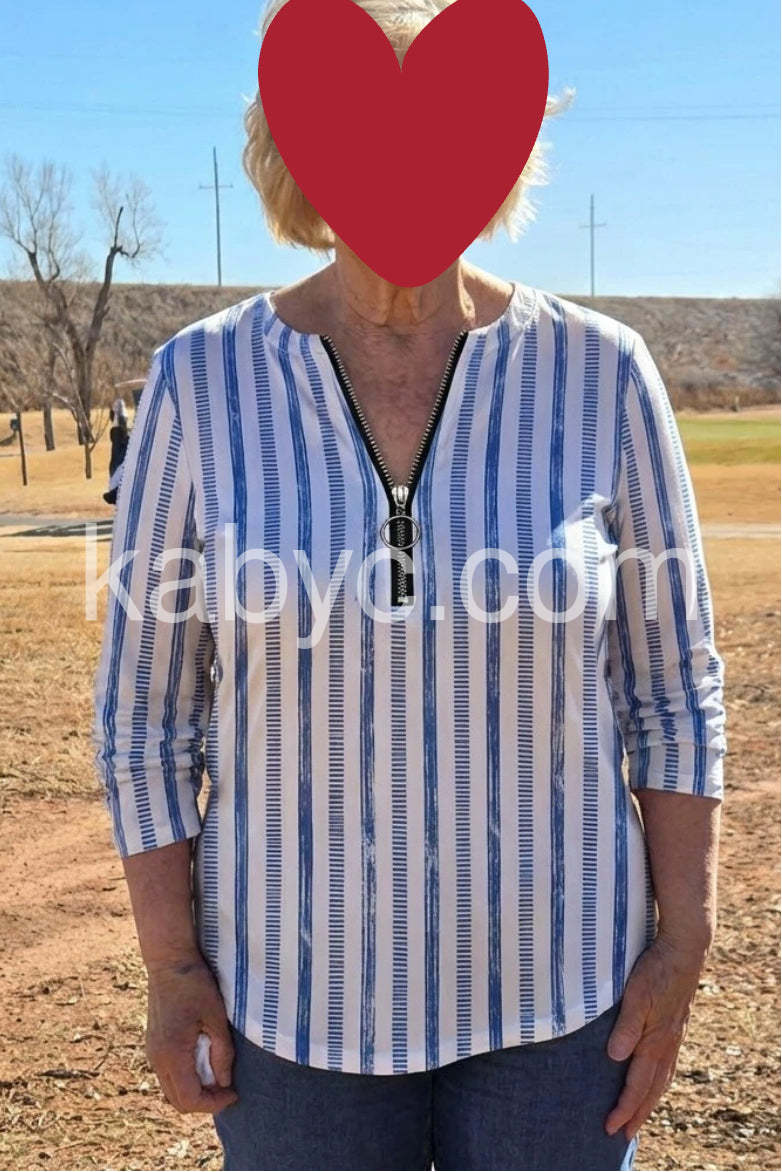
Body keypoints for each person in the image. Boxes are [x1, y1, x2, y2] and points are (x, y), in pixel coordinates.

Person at [92, 2, 727, 1168]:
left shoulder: (600, 374)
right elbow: (145, 715)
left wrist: (681, 939)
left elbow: (672, 688)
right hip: (292, 1016)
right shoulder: (201, 384)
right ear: (296, 157)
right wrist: (172, 964)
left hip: (560, 1007)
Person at [102, 398, 129, 506]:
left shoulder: (122, 498)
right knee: (125, 441)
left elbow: (109, 497)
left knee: (119, 440)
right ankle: (120, 419)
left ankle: (119, 419)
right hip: (123, 469)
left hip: (117, 472)